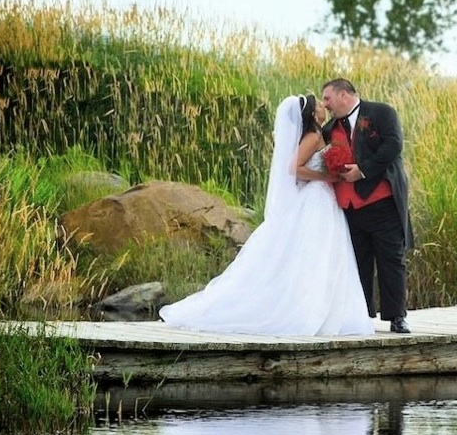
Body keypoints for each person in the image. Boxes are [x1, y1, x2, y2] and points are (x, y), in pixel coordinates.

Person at [158, 94, 375, 336]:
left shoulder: (317, 134)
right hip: (316, 199)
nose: (324, 107)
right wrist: (328, 176)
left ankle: (324, 311)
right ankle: (309, 311)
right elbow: (293, 168)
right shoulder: (313, 136)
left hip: (323, 199)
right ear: (313, 114)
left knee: (322, 255)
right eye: (319, 105)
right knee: (315, 253)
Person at [321, 78, 412, 334]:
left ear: (343, 95)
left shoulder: (381, 112)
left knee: (391, 260)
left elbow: (393, 146)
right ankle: (361, 316)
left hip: (382, 202)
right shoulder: (330, 128)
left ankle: (396, 318)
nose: (325, 104)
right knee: (357, 262)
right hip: (349, 207)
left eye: (327, 98)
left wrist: (362, 171)